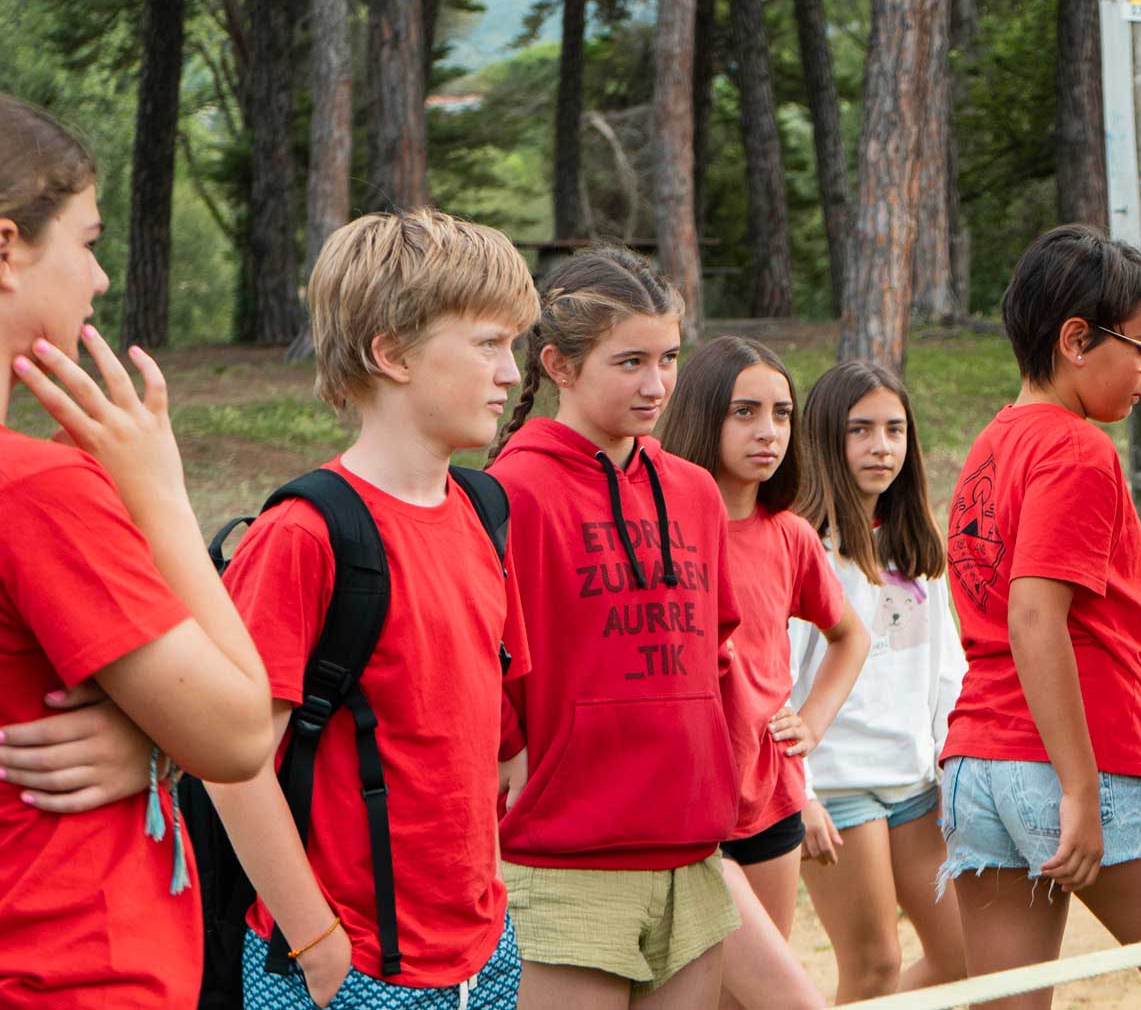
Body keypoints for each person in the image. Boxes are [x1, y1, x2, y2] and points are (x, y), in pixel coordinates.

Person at [207, 209, 539, 1008]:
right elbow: (231, 764)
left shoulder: (486, 512)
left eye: (515, 347)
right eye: (489, 344)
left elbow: (500, 740)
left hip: (483, 958)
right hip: (342, 970)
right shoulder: (302, 536)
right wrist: (318, 944)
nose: (513, 374)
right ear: (390, 353)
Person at [0, 93, 273, 1005]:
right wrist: (159, 495)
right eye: (86, 240)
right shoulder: (36, 490)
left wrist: (152, 744)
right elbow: (239, 731)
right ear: (6, 248)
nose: (102, 278)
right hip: (72, 958)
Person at [939, 225, 1141, 1010]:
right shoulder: (1077, 451)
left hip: (979, 763)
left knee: (1008, 1002)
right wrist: (1078, 787)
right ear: (1077, 339)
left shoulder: (992, 444)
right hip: (1079, 765)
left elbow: (1064, 634)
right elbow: (1035, 618)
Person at [486, 249, 744, 1009]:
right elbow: (484, 654)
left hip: (691, 851)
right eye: (629, 362)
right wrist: (512, 748)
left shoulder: (695, 492)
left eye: (668, 358)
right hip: (566, 859)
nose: (658, 384)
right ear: (558, 365)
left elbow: (714, 651)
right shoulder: (513, 491)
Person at [655, 335, 868, 1010]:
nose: (767, 432)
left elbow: (849, 637)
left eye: (781, 414)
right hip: (690, 814)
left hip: (770, 800)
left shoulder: (789, 534)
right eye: (744, 413)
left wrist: (812, 722)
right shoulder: (662, 526)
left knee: (746, 999)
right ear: (703, 415)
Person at [787, 360, 970, 1001]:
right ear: (825, 442)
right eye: (860, 430)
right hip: (837, 789)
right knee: (874, 967)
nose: (881, 447)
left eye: (894, 429)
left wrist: (956, 767)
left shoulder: (918, 550)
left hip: (917, 784)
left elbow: (949, 674)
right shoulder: (802, 547)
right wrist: (799, 793)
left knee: (965, 957)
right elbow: (775, 686)